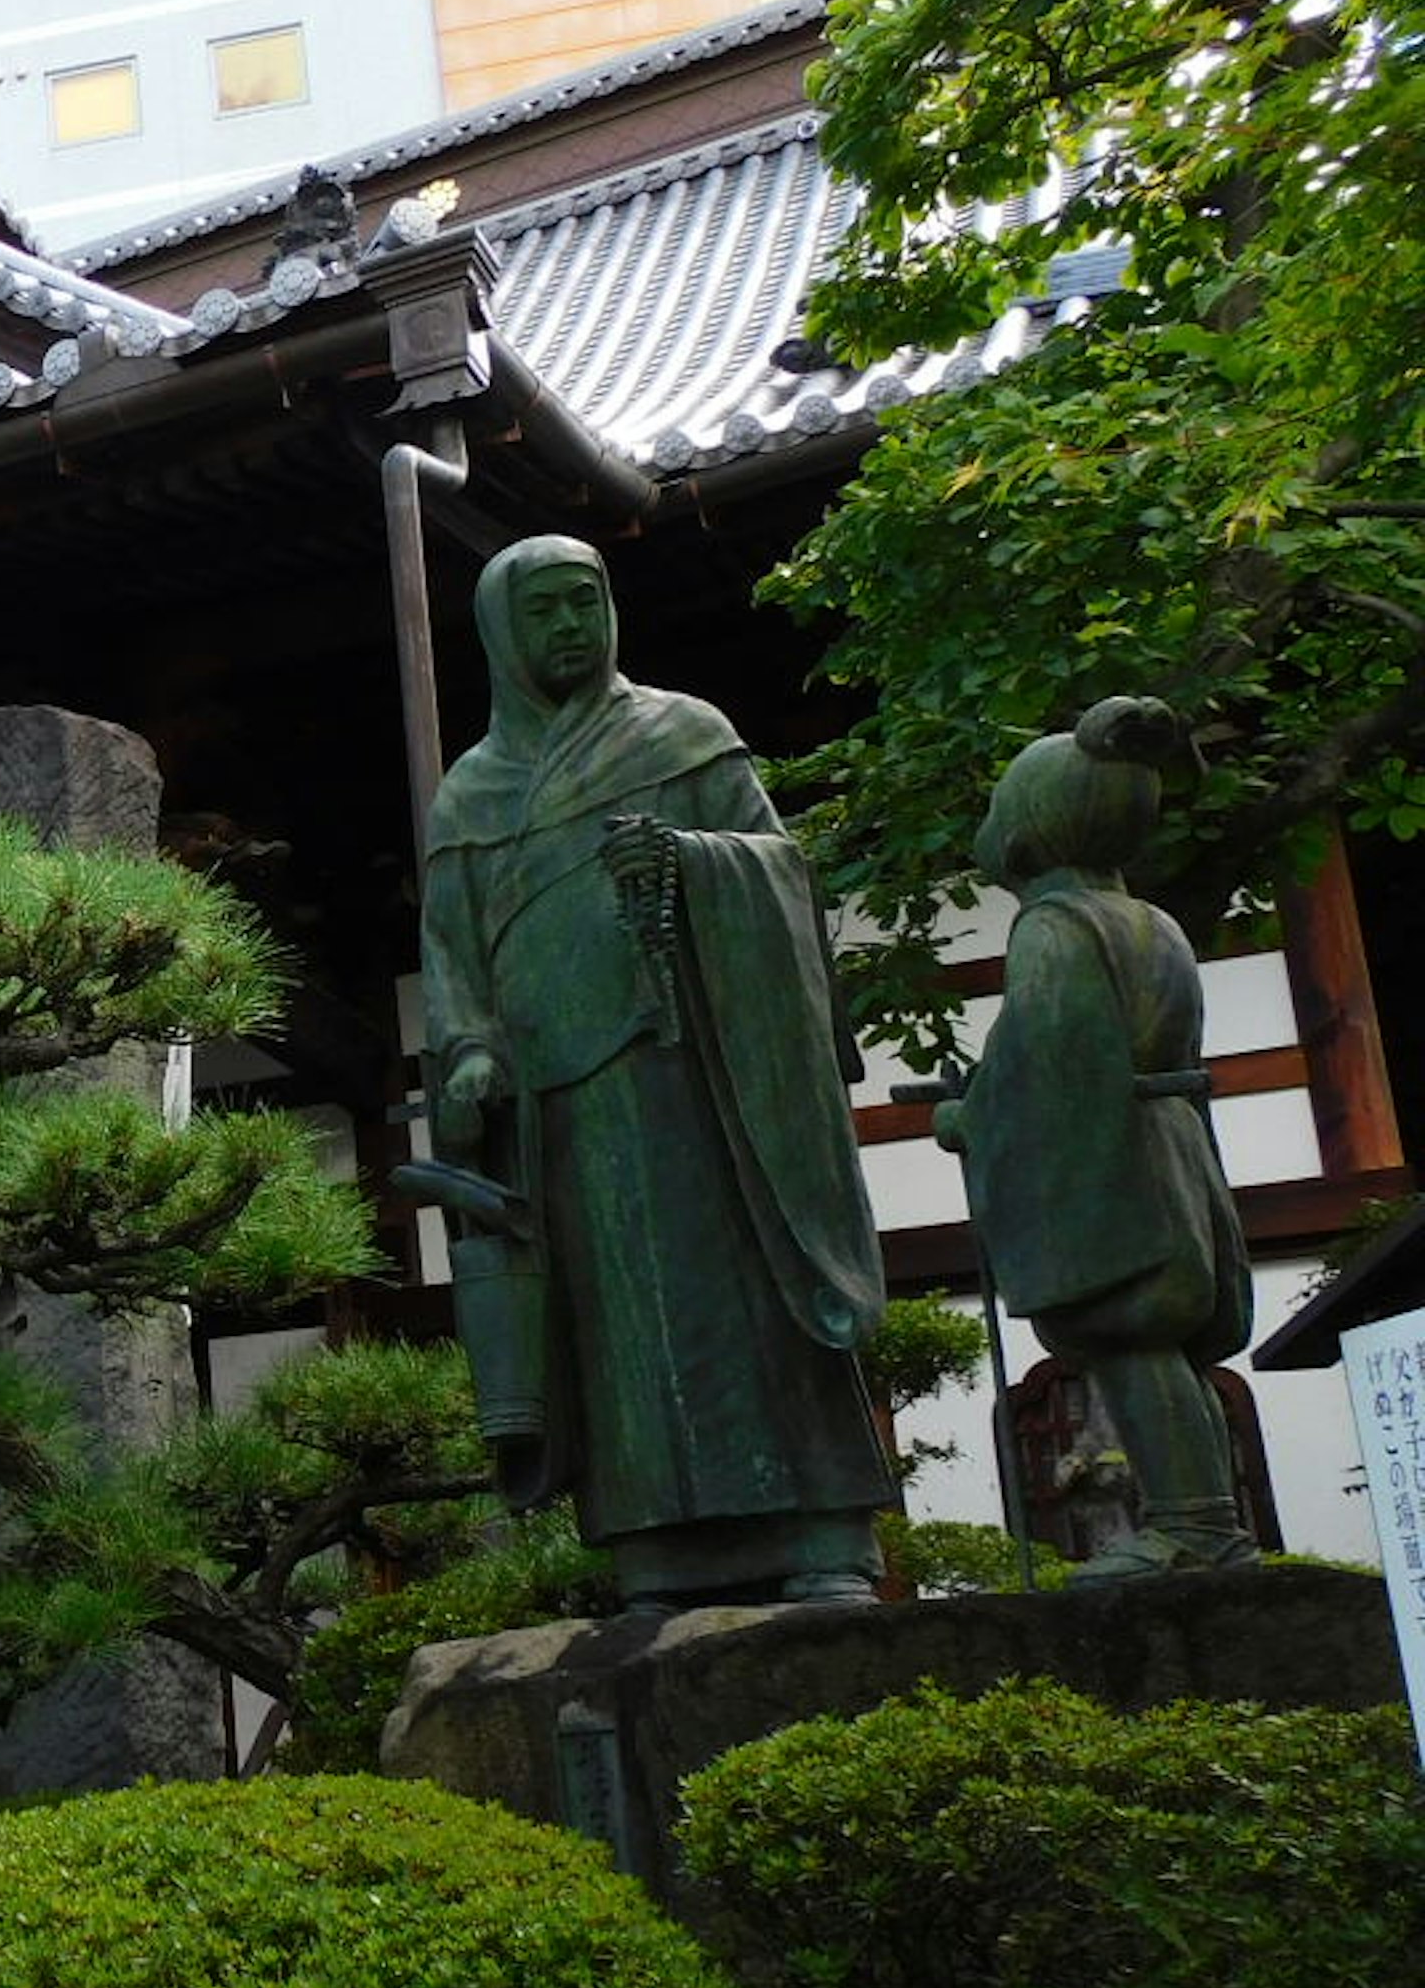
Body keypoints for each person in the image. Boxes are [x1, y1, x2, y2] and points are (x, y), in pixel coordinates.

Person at [419, 535, 894, 1604]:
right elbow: (453, 958)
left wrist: (691, 864)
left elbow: (787, 880)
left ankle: (822, 1535)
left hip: (712, 1083)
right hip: (570, 1111)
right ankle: (658, 1546)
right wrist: (473, 1052)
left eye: (585, 603)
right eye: (542, 612)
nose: (570, 628)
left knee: (752, 1293)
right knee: (617, 1331)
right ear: (501, 633)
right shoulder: (473, 797)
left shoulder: (685, 736)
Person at [933, 698, 1255, 1575]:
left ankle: (1194, 1526)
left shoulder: (1053, 930)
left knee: (1134, 1343)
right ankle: (1210, 1520)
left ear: (1029, 828)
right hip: (1174, 1149)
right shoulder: (1157, 925)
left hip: (1118, 1165)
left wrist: (972, 1116)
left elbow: (1052, 1065)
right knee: (1164, 1350)